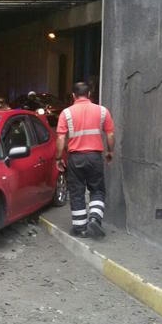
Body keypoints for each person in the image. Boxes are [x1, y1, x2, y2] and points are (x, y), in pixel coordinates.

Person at [55, 82, 115, 239]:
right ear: (89, 94)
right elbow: (110, 134)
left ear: (73, 96)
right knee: (97, 190)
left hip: (75, 158)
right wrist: (110, 152)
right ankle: (95, 218)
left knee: (76, 192)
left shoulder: (66, 113)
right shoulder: (102, 111)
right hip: (95, 157)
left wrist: (59, 157)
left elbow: (61, 137)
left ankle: (80, 228)